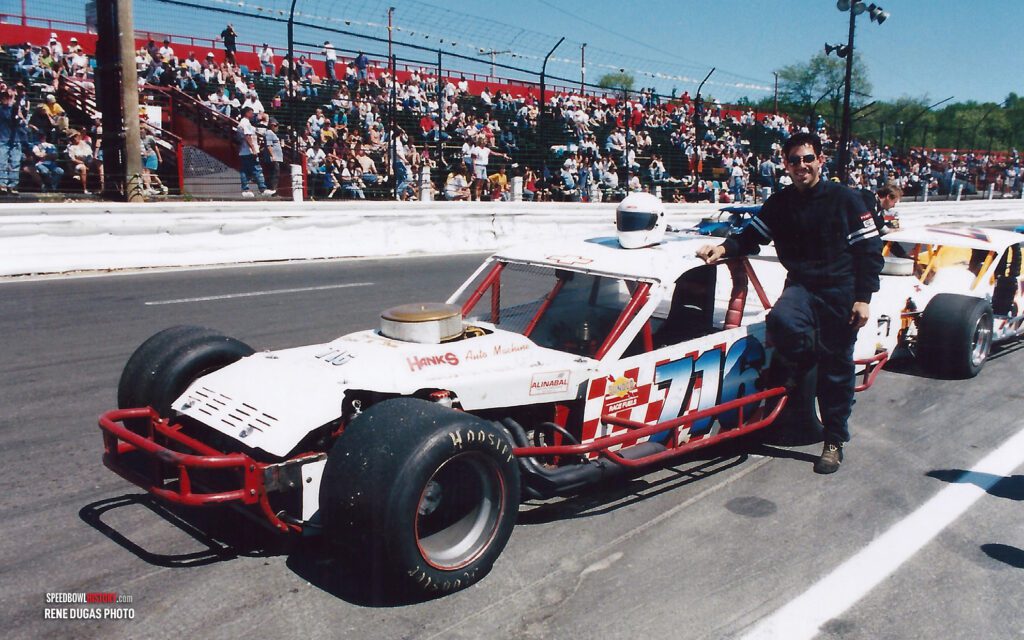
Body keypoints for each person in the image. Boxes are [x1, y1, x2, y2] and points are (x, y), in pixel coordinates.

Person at [695, 132, 884, 474]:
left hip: (841, 292)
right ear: (786, 165)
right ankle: (803, 367)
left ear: (820, 161)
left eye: (808, 159)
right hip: (801, 286)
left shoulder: (846, 200)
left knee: (836, 368)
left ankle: (834, 440)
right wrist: (722, 249)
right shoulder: (780, 203)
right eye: (794, 161)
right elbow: (751, 237)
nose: (802, 166)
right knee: (781, 320)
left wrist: (863, 298)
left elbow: (870, 252)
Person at [235, 106, 272, 197]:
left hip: (244, 151)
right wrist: (253, 148)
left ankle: (245, 189)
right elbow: (247, 136)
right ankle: (262, 189)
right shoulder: (245, 123)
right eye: (251, 113)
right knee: (257, 169)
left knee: (245, 171)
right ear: (247, 113)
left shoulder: (245, 123)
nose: (253, 114)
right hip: (248, 151)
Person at [261, 118, 283, 196]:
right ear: (272, 125)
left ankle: (273, 190)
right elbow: (269, 145)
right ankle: (273, 190)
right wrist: (272, 156)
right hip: (273, 158)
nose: (277, 127)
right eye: (276, 126)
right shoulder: (269, 133)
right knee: (274, 174)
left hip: (276, 158)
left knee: (275, 174)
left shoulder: (272, 134)